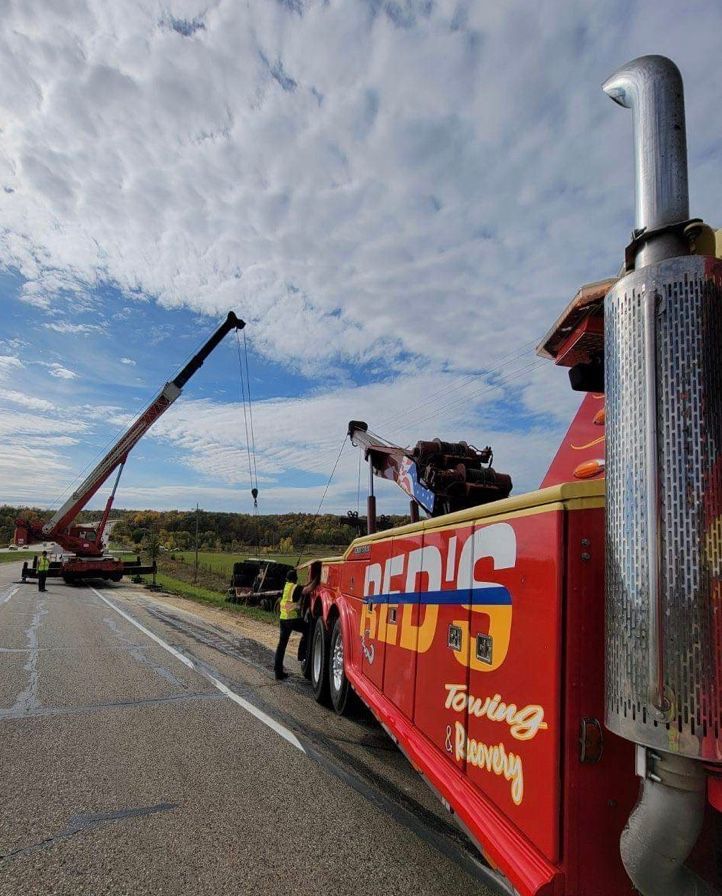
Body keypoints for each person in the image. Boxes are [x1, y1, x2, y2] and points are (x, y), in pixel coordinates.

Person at [273, 569, 307, 681]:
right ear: (295, 579)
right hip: (291, 620)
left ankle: (278, 672)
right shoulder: (295, 587)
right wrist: (316, 580)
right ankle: (303, 654)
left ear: (287, 579)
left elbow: (302, 587)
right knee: (308, 629)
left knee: (281, 646)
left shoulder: (287, 586)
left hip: (283, 619)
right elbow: (307, 589)